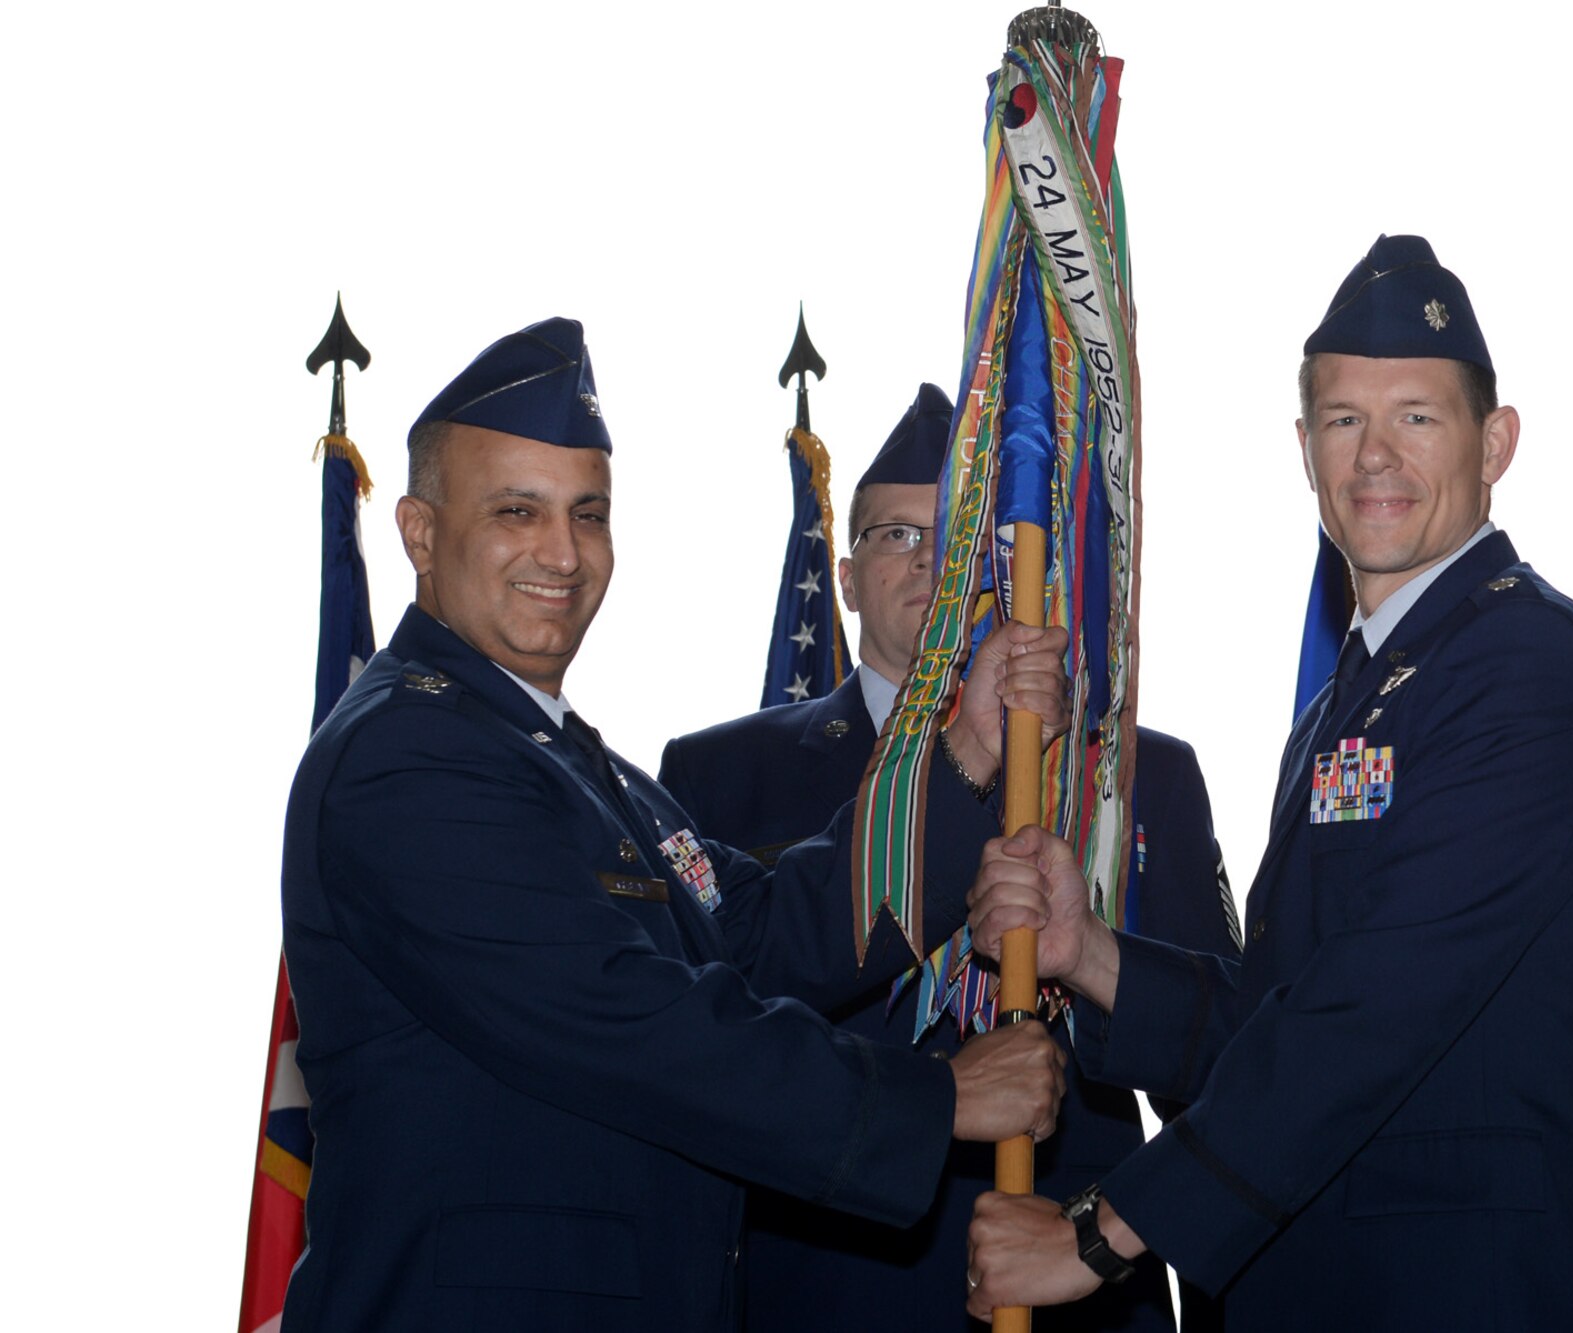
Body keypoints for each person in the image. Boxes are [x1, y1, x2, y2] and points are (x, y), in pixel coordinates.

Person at [279, 318, 1073, 1332]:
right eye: (517, 510)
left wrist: (962, 752)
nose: (562, 552)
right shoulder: (406, 754)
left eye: (588, 513)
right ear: (420, 533)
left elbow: (764, 933)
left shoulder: (594, 773)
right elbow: (628, 1021)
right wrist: (935, 1099)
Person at [966, 235, 1573, 1330]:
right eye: (1344, 420)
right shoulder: (1358, 694)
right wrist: (1087, 954)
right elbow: (1283, 1012)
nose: (1374, 455)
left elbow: (1367, 1018)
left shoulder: (1530, 674)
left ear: (1495, 443)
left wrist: (1097, 1235)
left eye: (1416, 417)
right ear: (1304, 449)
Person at [661, 382, 1243, 1333]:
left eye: (961, 536)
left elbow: (1224, 1075)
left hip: (1074, 1280)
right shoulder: (725, 774)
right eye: (897, 534)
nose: (932, 559)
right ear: (846, 578)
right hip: (823, 1283)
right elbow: (711, 1045)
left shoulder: (1135, 774)